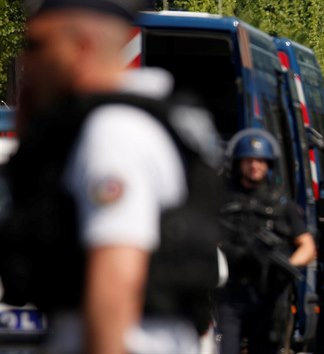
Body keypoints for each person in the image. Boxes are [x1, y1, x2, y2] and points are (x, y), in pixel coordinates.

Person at [0, 1, 225, 353]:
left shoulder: (112, 132)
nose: (27, 60)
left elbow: (116, 278)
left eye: (36, 46)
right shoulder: (111, 124)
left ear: (81, 48)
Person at [217, 129, 317, 354]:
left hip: (268, 295)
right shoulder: (222, 201)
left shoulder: (280, 204)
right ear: (238, 163)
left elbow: (307, 246)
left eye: (261, 161)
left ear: (269, 164)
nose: (255, 166)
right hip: (231, 293)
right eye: (249, 160)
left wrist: (287, 266)